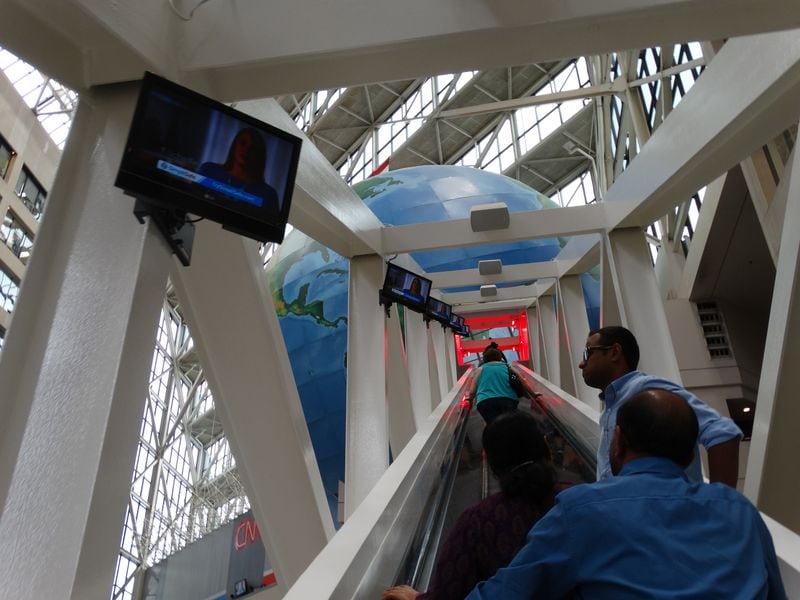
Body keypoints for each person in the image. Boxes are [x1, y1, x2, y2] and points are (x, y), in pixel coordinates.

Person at [467, 389, 787, 599]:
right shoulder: (739, 509)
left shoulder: (581, 510)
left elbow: (507, 593)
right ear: (690, 456)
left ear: (617, 442)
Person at [382, 411, 561, 600]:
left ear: (493, 467)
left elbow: (447, 594)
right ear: (547, 451)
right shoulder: (576, 501)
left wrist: (414, 598)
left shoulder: (476, 522)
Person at [579, 325, 741, 485]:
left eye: (587, 353)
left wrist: (718, 504)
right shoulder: (609, 411)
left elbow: (721, 431)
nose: (581, 363)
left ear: (614, 352)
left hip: (668, 507)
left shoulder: (647, 390)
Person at [199, 127, 279, 209]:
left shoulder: (269, 195)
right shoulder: (209, 170)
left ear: (258, 154)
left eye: (252, 148)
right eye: (243, 143)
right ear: (234, 146)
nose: (246, 150)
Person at [467, 346, 536, 424]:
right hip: (508, 400)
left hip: (485, 402)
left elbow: (472, 391)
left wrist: (470, 401)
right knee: (508, 424)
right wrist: (533, 394)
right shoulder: (508, 367)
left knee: (493, 424)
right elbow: (523, 382)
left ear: (485, 359)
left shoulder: (480, 369)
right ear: (500, 357)